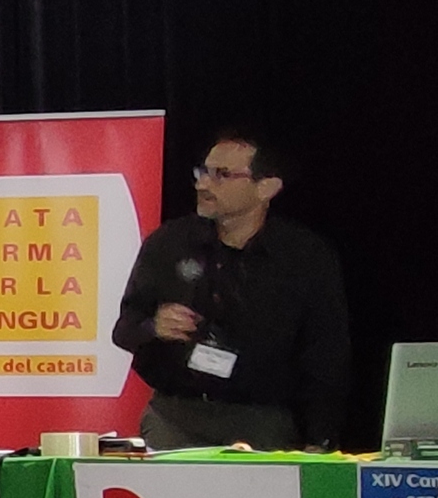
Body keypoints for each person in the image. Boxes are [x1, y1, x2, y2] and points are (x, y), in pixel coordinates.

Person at [113, 130, 349, 451]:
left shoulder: (303, 257)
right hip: (175, 417)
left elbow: (326, 356)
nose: (203, 184)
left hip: (262, 422)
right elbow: (124, 330)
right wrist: (153, 326)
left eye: (222, 175)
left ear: (267, 188)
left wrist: (319, 439)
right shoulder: (169, 243)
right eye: (203, 172)